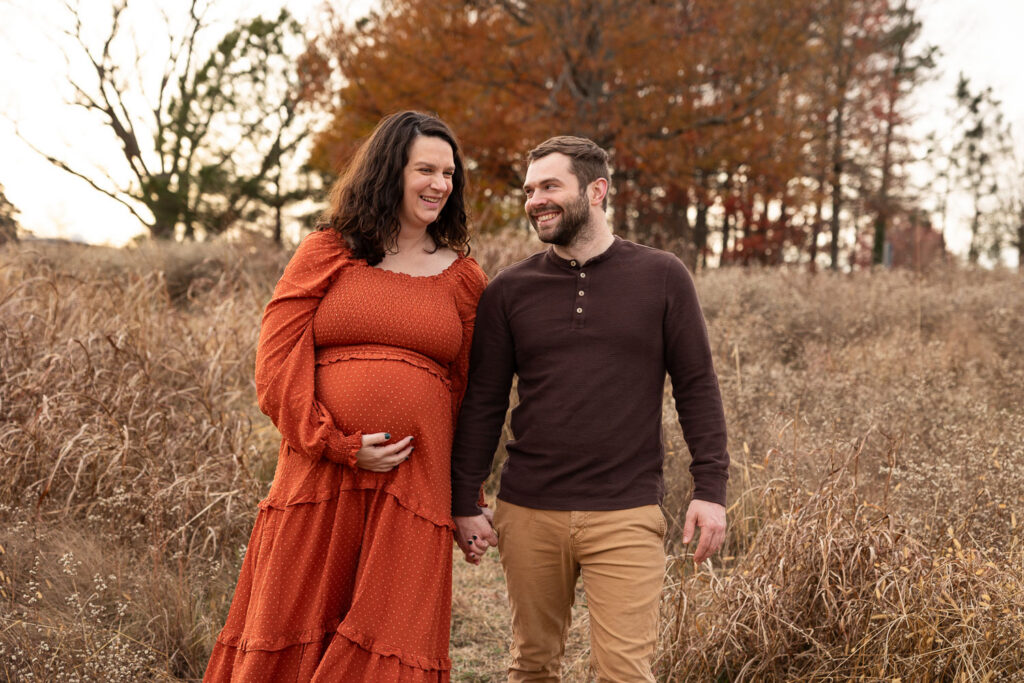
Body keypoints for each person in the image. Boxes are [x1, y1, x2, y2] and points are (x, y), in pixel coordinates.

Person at [204, 111, 487, 682]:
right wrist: (336, 443)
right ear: (389, 171)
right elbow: (277, 364)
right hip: (320, 475)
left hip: (412, 488)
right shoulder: (328, 252)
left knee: (389, 637)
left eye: (449, 175)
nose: (440, 185)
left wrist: (467, 501)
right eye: (425, 170)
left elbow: (471, 398)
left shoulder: (464, 279)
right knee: (297, 620)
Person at [450, 136, 729, 682]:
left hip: (625, 510)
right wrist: (464, 499)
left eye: (550, 186)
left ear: (596, 190)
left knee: (624, 672)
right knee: (532, 666)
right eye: (530, 190)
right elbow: (483, 401)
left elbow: (697, 386)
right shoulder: (509, 290)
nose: (535, 200)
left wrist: (710, 491)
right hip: (528, 510)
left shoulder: (663, 276)